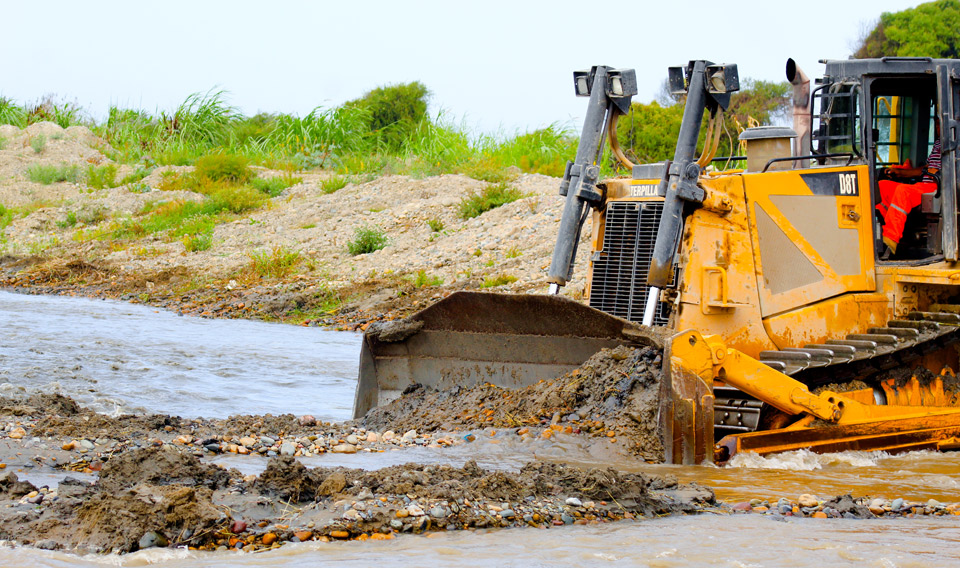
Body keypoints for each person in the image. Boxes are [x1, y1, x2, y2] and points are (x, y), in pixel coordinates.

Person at [876, 119, 941, 255]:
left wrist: (941, 172)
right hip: (923, 184)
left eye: (940, 123)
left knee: (903, 191)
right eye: (936, 123)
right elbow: (924, 170)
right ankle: (879, 231)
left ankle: (890, 239)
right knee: (882, 186)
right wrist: (900, 172)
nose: (937, 127)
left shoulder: (955, 146)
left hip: (938, 186)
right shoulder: (938, 144)